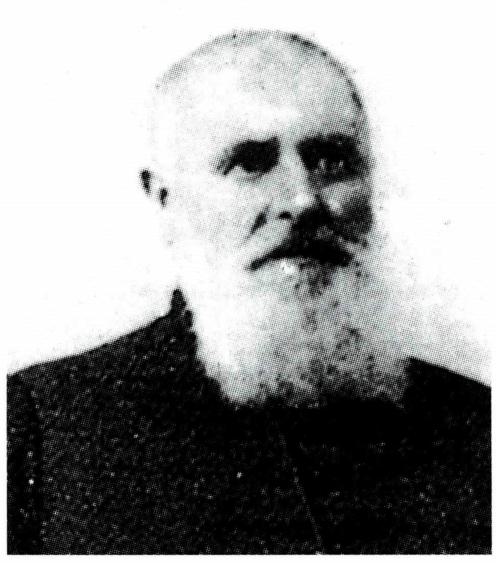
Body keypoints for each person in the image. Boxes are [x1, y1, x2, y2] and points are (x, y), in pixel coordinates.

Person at [7, 30, 490, 554]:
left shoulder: (478, 426)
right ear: (167, 198)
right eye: (250, 163)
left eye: (332, 159)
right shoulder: (44, 426)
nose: (302, 200)